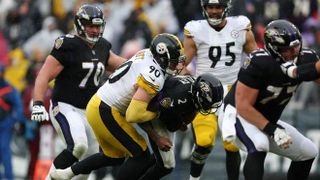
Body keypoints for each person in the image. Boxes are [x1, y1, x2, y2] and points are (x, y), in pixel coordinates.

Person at [49, 33, 186, 180]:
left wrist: (156, 136)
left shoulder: (146, 54)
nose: (177, 65)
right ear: (161, 58)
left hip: (98, 104)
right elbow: (134, 115)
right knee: (141, 155)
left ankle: (67, 173)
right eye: (173, 61)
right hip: (106, 110)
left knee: (114, 157)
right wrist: (160, 111)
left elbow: (135, 111)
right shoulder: (155, 75)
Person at [30, 4, 126, 179]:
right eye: (91, 26)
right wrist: (37, 103)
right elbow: (44, 75)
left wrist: (145, 62)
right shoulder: (67, 45)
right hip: (66, 106)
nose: (95, 30)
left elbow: (123, 66)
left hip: (89, 111)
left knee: (89, 158)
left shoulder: (103, 46)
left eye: (98, 26)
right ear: (80, 25)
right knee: (78, 145)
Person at [220, 19, 319, 180]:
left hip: (265, 120)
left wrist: (300, 71)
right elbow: (243, 106)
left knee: (308, 152)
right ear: (274, 49)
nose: (294, 53)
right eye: (287, 49)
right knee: (260, 144)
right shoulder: (259, 62)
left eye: (296, 46)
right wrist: (273, 130)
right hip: (236, 115)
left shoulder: (305, 57)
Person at [182, 0, 258, 179]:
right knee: (203, 142)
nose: (214, 11)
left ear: (226, 8)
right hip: (204, 91)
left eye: (218, 7)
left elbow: (256, 59)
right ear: (204, 8)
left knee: (232, 145)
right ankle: (194, 178)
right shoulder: (196, 30)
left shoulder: (240, 26)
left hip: (232, 91)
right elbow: (182, 64)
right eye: (211, 7)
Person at [116, 73, 225, 180]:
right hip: (153, 113)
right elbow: (140, 115)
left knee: (160, 159)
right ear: (198, 95)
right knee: (167, 165)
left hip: (165, 114)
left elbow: (190, 109)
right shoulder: (177, 97)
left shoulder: (192, 92)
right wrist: (157, 138)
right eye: (208, 104)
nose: (209, 108)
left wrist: (181, 121)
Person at [0, 64, 25, 179]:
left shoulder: (9, 88)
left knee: (5, 149)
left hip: (5, 124)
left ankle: (9, 177)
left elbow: (19, 107)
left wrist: (14, 120)